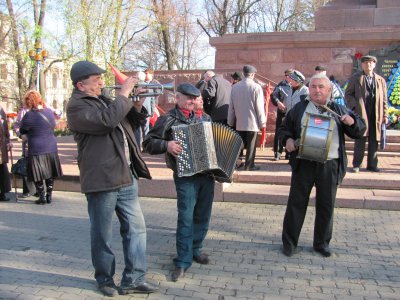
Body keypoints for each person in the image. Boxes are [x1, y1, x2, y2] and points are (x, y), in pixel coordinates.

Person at [66, 61, 158, 297]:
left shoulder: (105, 100)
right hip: (102, 179)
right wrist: (125, 94)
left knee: (137, 230)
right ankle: (105, 279)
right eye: (96, 79)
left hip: (126, 175)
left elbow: (129, 122)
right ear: (81, 85)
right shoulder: (76, 107)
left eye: (100, 78)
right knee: (102, 234)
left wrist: (136, 104)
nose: (101, 82)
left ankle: (134, 278)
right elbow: (106, 121)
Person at [279, 73, 366, 258]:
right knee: (296, 204)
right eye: (313, 87)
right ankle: (289, 243)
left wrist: (352, 122)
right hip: (304, 164)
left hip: (329, 165)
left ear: (328, 90)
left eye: (321, 87)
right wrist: (287, 140)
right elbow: (284, 129)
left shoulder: (338, 109)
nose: (316, 90)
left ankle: (321, 244)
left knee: (326, 205)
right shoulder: (299, 109)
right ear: (308, 89)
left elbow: (359, 129)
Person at [143, 83, 215, 282]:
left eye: (195, 97)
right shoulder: (169, 119)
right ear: (178, 97)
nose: (192, 101)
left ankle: (196, 249)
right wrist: (167, 145)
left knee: (203, 215)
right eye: (188, 97)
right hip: (186, 177)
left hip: (207, 175)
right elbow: (148, 143)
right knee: (186, 218)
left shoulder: (205, 118)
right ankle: (183, 261)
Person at [345, 55, 389, 173]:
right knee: (360, 138)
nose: (368, 65)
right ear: (362, 65)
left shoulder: (380, 80)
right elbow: (348, 94)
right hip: (361, 112)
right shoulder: (356, 78)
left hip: (376, 113)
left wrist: (385, 115)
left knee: (374, 140)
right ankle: (357, 164)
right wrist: (354, 106)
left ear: (374, 65)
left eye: (371, 63)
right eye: (366, 63)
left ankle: (372, 165)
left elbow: (384, 99)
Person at [19, 91, 63, 205]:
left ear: (28, 102)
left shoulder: (29, 115)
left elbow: (22, 130)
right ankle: (49, 195)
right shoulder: (48, 112)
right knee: (50, 172)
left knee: (37, 173)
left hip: (36, 148)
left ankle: (42, 196)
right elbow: (53, 125)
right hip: (51, 146)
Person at [227, 65, 266, 171]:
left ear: (243, 74)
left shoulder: (235, 87)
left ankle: (234, 162)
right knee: (251, 146)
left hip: (239, 122)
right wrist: (263, 123)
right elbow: (259, 107)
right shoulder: (256, 87)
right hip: (252, 122)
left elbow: (231, 107)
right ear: (253, 74)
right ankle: (249, 165)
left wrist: (230, 121)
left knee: (239, 144)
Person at [13, 103, 37, 198]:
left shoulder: (42, 110)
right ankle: (27, 190)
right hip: (27, 144)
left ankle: (38, 190)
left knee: (38, 166)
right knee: (26, 166)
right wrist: (20, 134)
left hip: (39, 144)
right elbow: (17, 125)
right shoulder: (23, 111)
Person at [271, 69, 294, 161]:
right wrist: (278, 102)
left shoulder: (296, 85)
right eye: (286, 75)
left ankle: (289, 153)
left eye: (289, 75)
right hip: (282, 113)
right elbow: (273, 96)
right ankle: (277, 153)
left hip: (292, 113)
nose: (287, 77)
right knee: (279, 132)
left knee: (291, 132)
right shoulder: (280, 85)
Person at [135, 68, 159, 146]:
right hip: (143, 110)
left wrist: (152, 110)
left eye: (147, 73)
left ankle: (144, 145)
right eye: (144, 73)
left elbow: (154, 98)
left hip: (146, 110)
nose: (145, 75)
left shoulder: (152, 84)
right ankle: (142, 146)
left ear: (151, 74)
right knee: (142, 129)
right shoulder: (144, 85)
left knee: (145, 129)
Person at [0, 104, 12, 202]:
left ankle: (2, 193)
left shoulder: (1, 110)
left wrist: (8, 141)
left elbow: (5, 128)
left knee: (2, 169)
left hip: (1, 146)